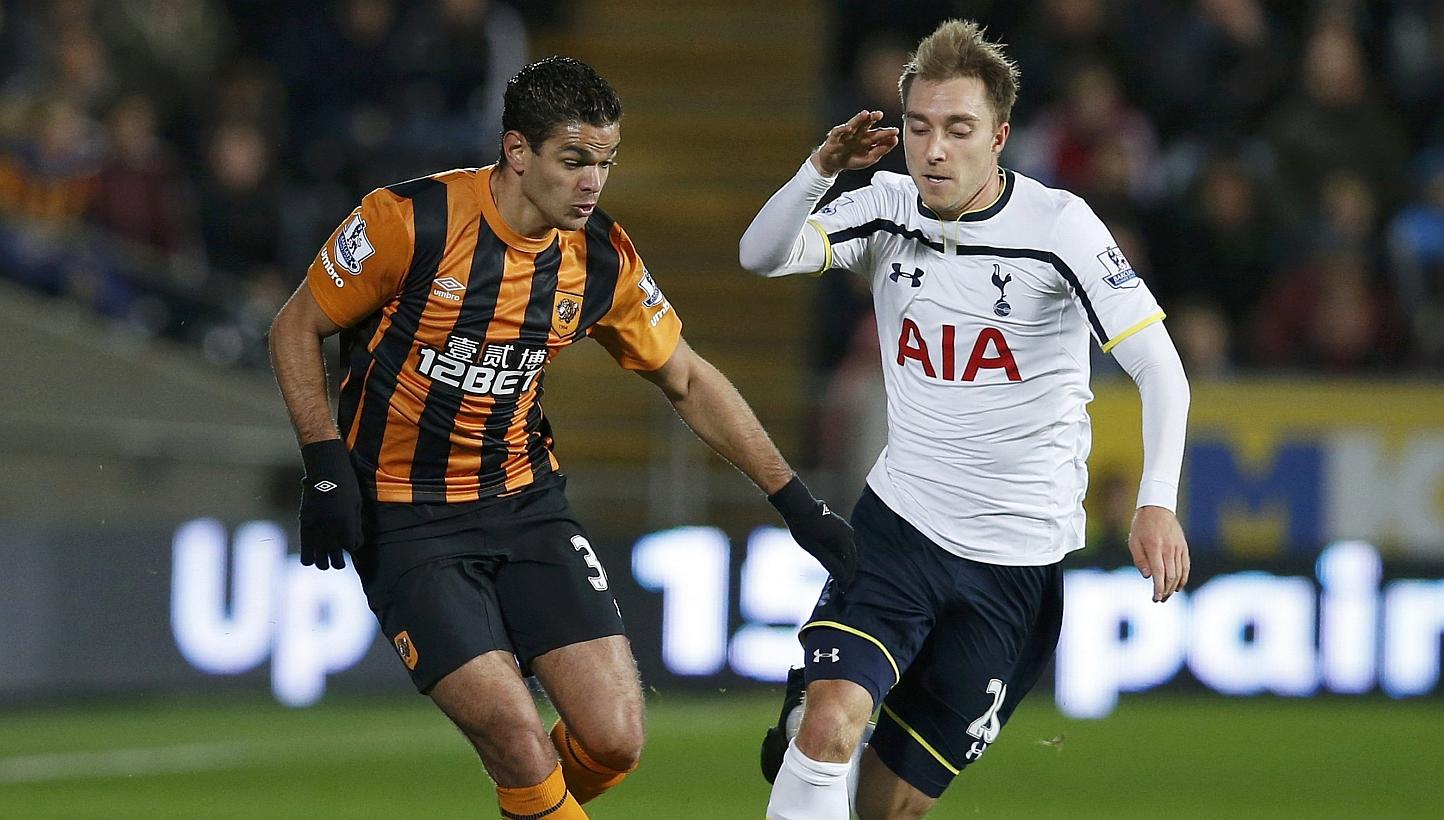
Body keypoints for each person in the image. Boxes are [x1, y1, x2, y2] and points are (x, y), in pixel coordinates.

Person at [268, 56, 855, 820]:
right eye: (574, 160)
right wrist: (322, 464)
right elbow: (295, 327)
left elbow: (687, 378)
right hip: (404, 518)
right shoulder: (410, 222)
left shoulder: (601, 259)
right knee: (515, 737)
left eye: (605, 163)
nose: (592, 183)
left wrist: (795, 501)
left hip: (524, 503)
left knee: (614, 741)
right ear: (518, 152)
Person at [739, 20, 1191, 819]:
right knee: (831, 722)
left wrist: (1157, 501)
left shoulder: (1059, 230)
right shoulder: (885, 206)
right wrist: (818, 171)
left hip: (1016, 567)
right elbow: (760, 256)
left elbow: (1161, 368)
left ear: (1001, 136)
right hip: (898, 529)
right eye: (918, 128)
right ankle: (811, 723)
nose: (934, 150)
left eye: (958, 130)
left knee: (891, 808)